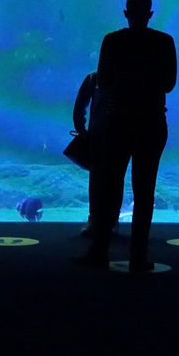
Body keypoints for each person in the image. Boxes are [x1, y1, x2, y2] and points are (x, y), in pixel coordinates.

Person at [76, 0, 176, 273]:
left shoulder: (113, 41)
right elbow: (169, 83)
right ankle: (138, 256)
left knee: (110, 188)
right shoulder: (164, 42)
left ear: (126, 13)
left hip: (117, 122)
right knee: (144, 192)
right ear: (150, 14)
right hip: (152, 122)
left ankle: (99, 251)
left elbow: (104, 81)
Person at [72, 71, 114, 237]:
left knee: (110, 179)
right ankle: (96, 219)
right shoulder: (94, 78)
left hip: (117, 133)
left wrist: (80, 126)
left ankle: (108, 219)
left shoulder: (95, 78)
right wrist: (81, 127)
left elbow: (80, 104)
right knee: (98, 178)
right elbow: (80, 103)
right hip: (98, 134)